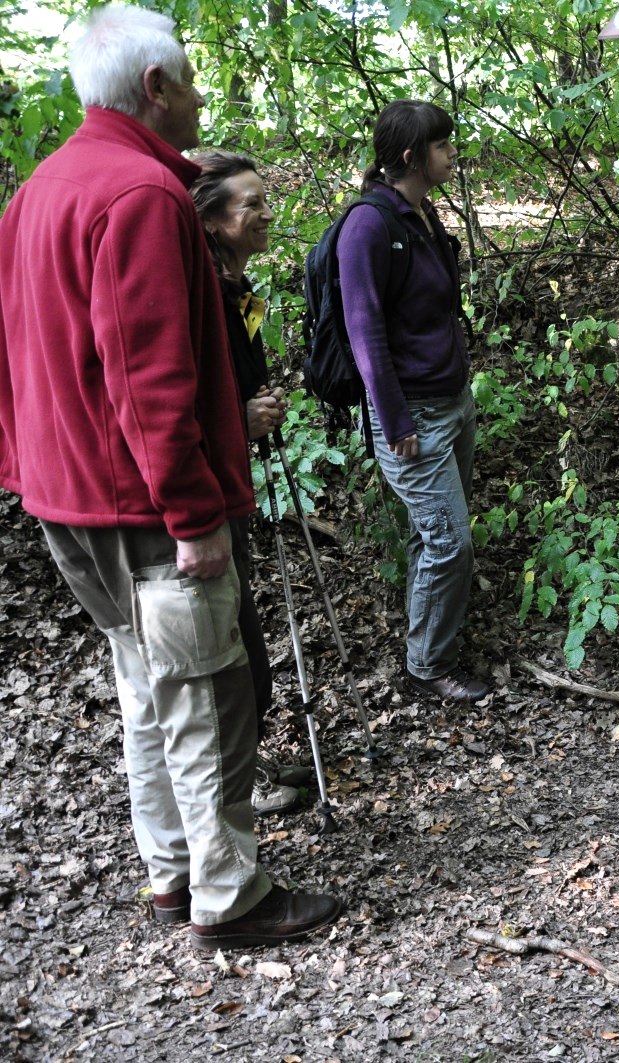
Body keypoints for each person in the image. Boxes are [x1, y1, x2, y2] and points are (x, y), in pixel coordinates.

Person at [0, 4, 340, 949]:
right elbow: (149, 375)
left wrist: (24, 467)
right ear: (155, 87)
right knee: (206, 692)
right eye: (188, 79)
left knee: (146, 684)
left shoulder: (37, 192)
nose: (197, 96)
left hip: (66, 497)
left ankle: (171, 869)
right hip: (143, 502)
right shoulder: (142, 195)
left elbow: (16, 353)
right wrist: (194, 513)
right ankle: (228, 893)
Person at [337, 99, 488, 702]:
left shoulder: (423, 215)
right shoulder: (369, 227)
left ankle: (429, 642)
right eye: (442, 145)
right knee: (450, 542)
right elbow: (365, 332)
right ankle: (427, 667)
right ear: (411, 156)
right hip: (412, 417)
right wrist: (395, 420)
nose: (452, 153)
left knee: (436, 537)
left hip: (451, 402)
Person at [189, 149, 309, 816]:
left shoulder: (241, 290)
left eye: (266, 200)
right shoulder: (201, 293)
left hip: (232, 480)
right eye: (251, 205)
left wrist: (255, 411)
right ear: (211, 219)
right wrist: (240, 419)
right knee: (233, 643)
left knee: (245, 631)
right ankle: (238, 778)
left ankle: (248, 758)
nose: (266, 213)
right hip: (203, 491)